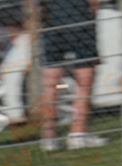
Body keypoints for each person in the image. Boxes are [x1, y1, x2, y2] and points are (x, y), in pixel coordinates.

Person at [40, 0, 108, 150]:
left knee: (51, 81)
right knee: (85, 75)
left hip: (49, 17)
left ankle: (49, 136)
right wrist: (94, 5)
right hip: (78, 14)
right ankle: (78, 133)